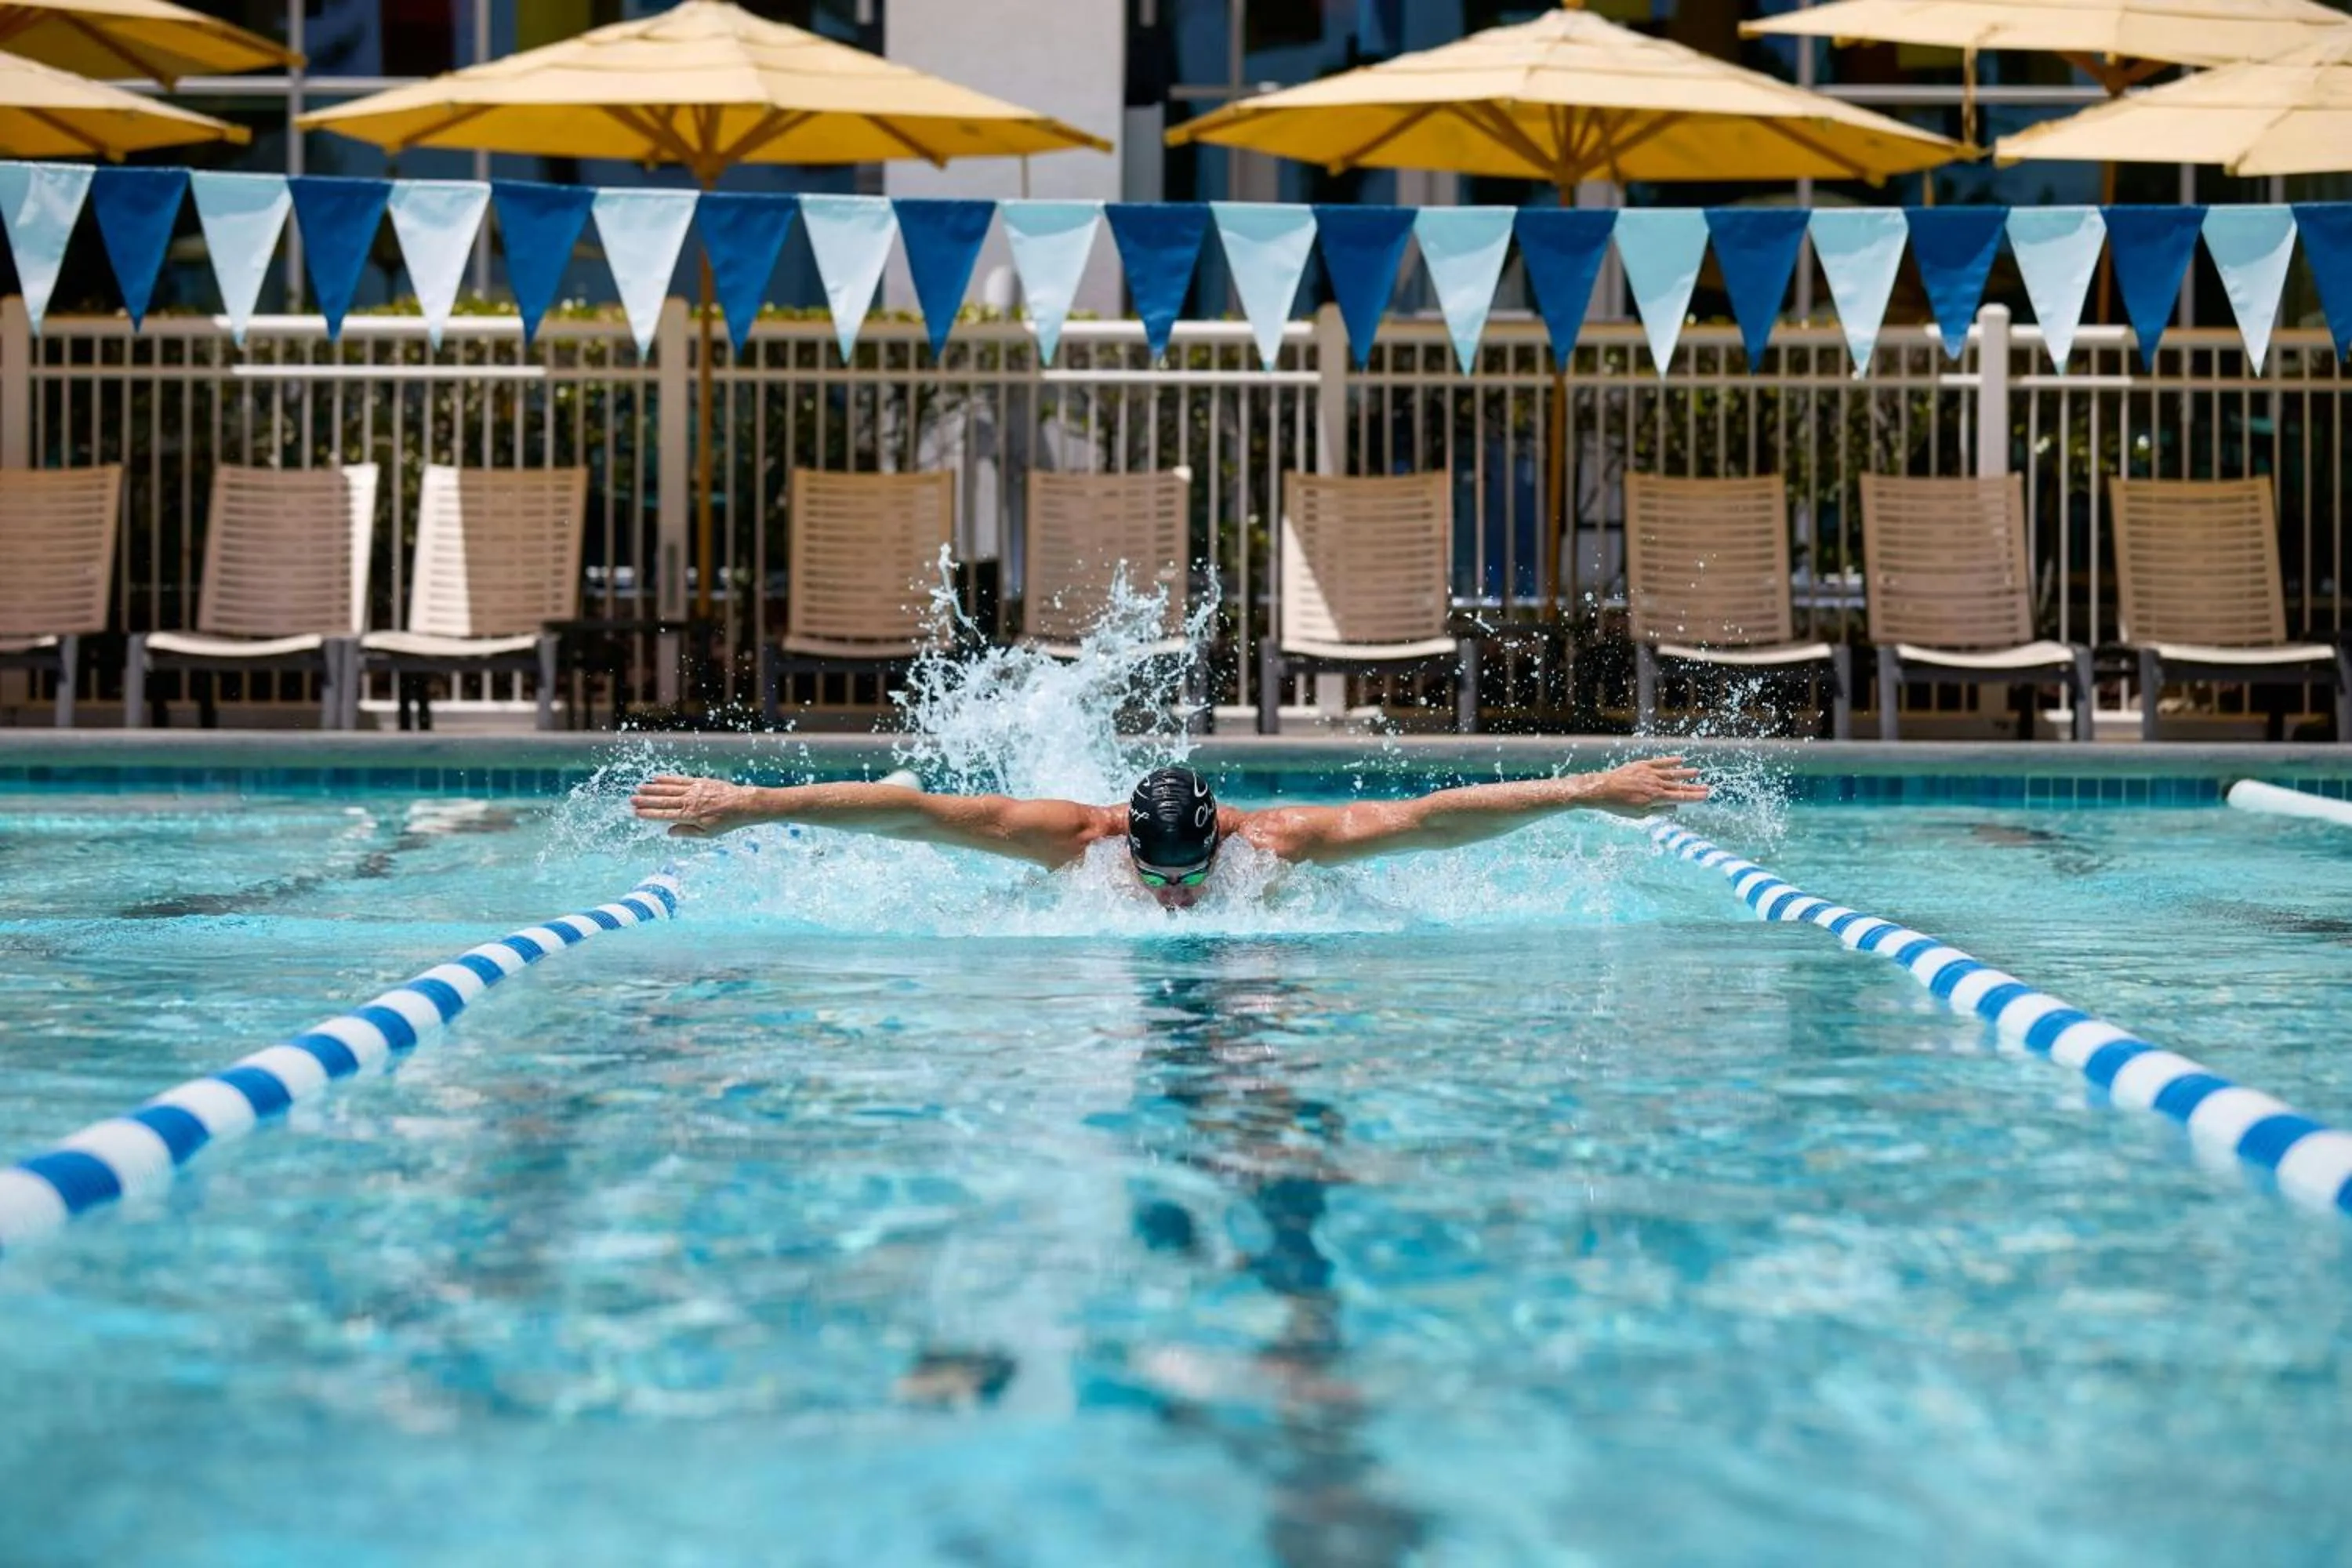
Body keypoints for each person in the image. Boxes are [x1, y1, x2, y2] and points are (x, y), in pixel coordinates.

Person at [630, 756, 1708, 910]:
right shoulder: (1071, 839)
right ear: (1131, 851)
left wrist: (1586, 788)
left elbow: (1427, 820)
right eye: (1167, 878)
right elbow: (914, 812)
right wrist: (752, 804)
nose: (1182, 896)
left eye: (1197, 873)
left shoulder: (1279, 843)